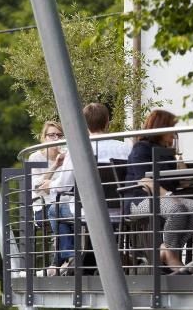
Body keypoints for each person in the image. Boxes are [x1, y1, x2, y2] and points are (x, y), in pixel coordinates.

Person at [49, 103, 130, 274]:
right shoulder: (125, 148)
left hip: (89, 212)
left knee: (54, 210)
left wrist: (51, 185)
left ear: (83, 125)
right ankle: (91, 259)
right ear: (108, 122)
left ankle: (72, 257)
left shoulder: (78, 149)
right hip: (121, 211)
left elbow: (64, 184)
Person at [125, 109, 193, 271]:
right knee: (178, 209)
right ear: (161, 128)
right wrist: (170, 196)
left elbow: (185, 182)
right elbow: (145, 181)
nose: (174, 135)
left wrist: (178, 155)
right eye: (172, 130)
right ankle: (169, 256)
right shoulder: (141, 148)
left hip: (164, 199)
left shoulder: (167, 153)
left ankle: (166, 251)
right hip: (139, 201)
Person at [27, 121, 65, 275]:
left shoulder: (67, 156)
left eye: (59, 135)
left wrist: (52, 184)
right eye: (52, 135)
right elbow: (38, 188)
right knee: (60, 214)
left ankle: (65, 264)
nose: (56, 138)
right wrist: (55, 166)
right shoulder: (36, 157)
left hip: (64, 203)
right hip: (42, 207)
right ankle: (59, 264)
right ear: (44, 137)